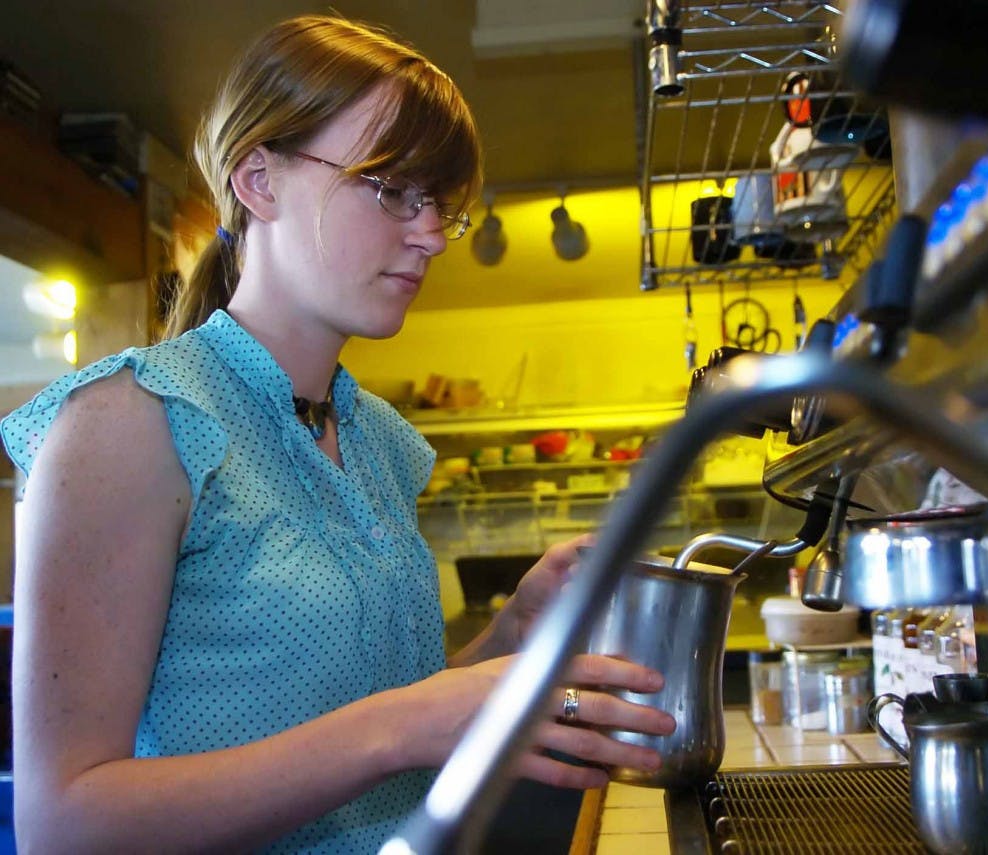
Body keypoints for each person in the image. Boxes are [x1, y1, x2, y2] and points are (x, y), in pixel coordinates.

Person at [0, 15, 675, 854]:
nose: (430, 232)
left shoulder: (379, 437)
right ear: (259, 179)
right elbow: (64, 825)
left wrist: (508, 635)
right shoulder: (129, 423)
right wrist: (401, 723)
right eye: (392, 187)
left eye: (439, 203)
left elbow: (378, 714)